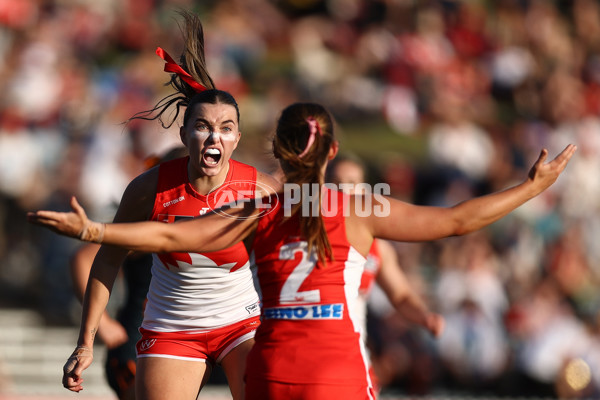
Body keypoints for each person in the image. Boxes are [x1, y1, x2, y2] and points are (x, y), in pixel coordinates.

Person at [28, 102, 576, 400]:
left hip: (270, 365)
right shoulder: (359, 205)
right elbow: (456, 222)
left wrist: (96, 232)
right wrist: (530, 188)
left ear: (274, 151)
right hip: (332, 369)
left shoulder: (259, 208)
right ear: (333, 152)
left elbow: (173, 235)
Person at [48, 11, 279, 400]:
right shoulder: (148, 188)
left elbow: (287, 254)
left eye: (225, 128)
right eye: (203, 126)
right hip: (173, 327)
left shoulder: (259, 188)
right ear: (184, 132)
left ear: (237, 138)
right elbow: (106, 259)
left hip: (242, 325)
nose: (213, 137)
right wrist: (87, 341)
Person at [68, 147, 188, 400]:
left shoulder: (209, 221)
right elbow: (83, 259)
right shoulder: (150, 224)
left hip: (179, 341)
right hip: (136, 342)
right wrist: (104, 324)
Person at [326, 155, 444, 393]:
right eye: (338, 182)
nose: (345, 190)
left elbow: (400, 294)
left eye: (352, 182)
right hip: (312, 350)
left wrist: (424, 316)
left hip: (352, 354)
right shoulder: (308, 236)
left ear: (364, 190)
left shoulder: (379, 248)